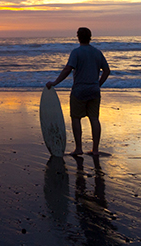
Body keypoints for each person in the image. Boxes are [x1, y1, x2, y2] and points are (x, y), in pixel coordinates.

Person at [46, 27, 110, 156]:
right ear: (90, 37)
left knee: (76, 118)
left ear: (78, 37)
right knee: (94, 119)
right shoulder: (97, 52)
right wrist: (98, 85)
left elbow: (67, 69)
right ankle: (95, 150)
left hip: (79, 90)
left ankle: (79, 148)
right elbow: (107, 71)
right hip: (94, 90)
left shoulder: (76, 52)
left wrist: (55, 83)